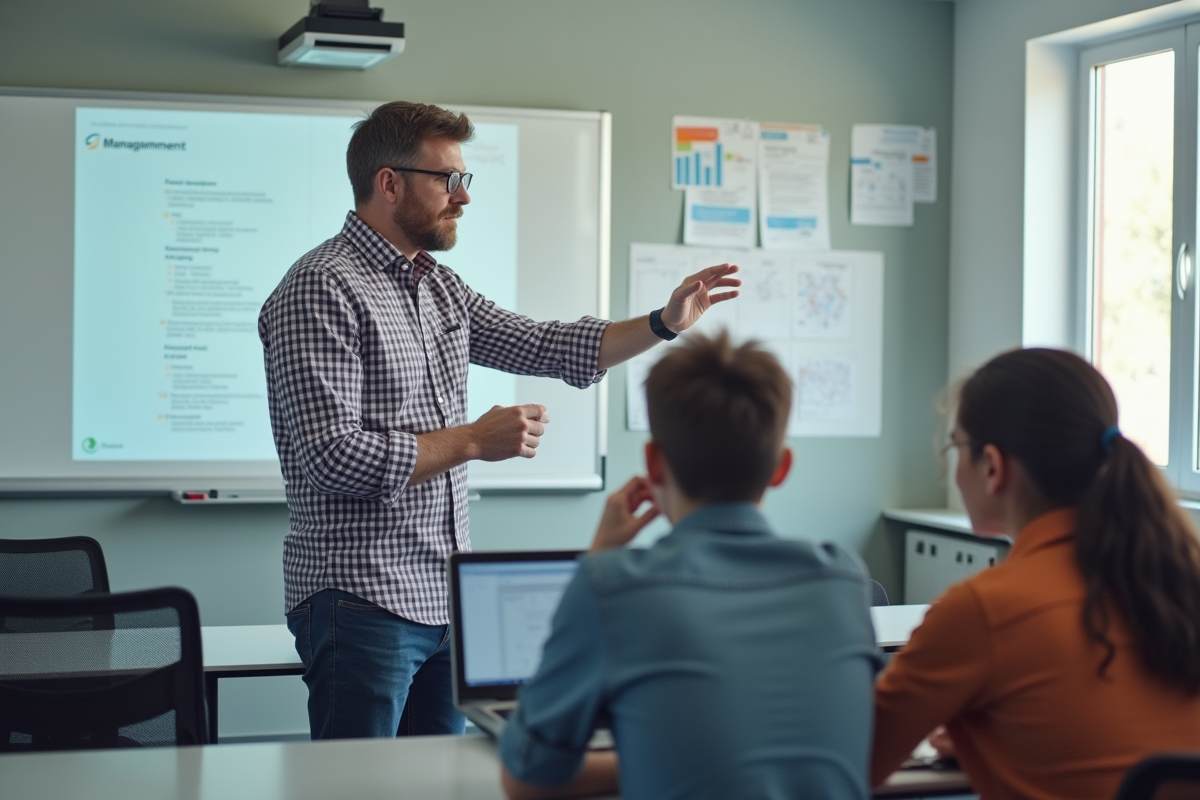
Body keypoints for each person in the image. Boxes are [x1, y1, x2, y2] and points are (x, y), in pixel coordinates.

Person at [258, 101, 740, 740]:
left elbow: (544, 344)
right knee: (359, 788)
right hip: (361, 599)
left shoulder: (438, 287)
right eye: (446, 179)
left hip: (444, 603)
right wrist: (473, 441)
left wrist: (663, 323)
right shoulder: (320, 287)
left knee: (445, 785)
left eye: (466, 180)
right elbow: (334, 458)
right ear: (389, 183)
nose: (463, 197)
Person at [499, 332, 882, 800]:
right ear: (781, 467)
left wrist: (600, 556)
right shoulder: (843, 578)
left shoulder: (613, 586)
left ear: (653, 465)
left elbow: (526, 779)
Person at [871, 348, 1200, 800]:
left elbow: (848, 763)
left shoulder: (983, 610)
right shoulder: (1179, 582)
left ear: (992, 465)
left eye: (955, 447)